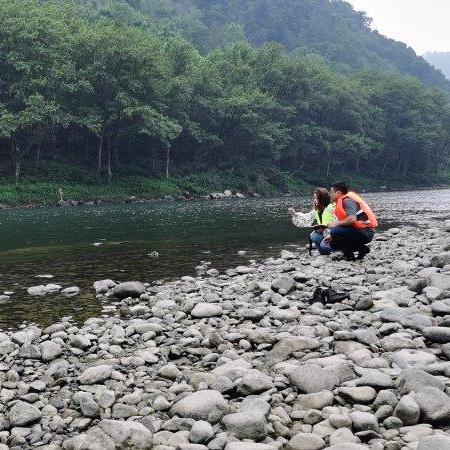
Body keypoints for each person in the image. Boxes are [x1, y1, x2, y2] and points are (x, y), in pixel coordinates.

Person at [320, 181, 377, 260]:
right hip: (358, 230)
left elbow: (352, 219)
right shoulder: (341, 201)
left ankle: (349, 255)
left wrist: (336, 224)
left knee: (334, 232)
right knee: (332, 242)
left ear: (338, 193)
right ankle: (360, 250)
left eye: (331, 192)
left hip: (366, 232)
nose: (330, 194)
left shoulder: (347, 201)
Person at [289, 188, 334, 254]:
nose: (314, 200)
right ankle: (324, 252)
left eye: (316, 198)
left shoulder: (331, 207)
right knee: (313, 236)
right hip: (323, 233)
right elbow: (306, 218)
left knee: (323, 246)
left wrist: (328, 228)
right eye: (314, 198)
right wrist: (295, 214)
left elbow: (338, 221)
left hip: (333, 233)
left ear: (322, 198)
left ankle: (338, 249)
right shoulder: (316, 210)